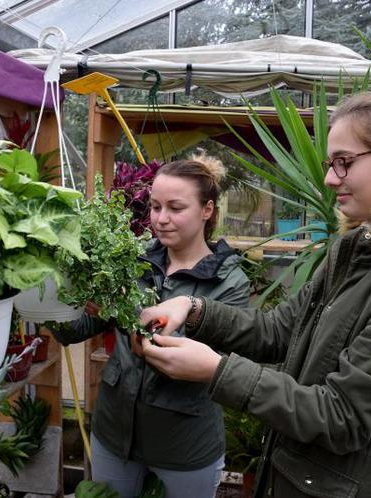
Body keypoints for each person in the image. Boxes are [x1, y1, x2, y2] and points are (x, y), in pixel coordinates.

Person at [138, 92, 371, 498]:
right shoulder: (358, 250)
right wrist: (193, 309)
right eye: (329, 163)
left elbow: (343, 416)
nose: (329, 178)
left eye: (344, 162)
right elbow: (278, 329)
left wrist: (217, 371)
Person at [51, 155, 250, 498]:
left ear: (207, 210)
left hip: (185, 447)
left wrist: (127, 313)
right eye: (155, 206)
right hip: (114, 436)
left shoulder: (229, 283)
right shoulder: (132, 259)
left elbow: (199, 363)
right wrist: (48, 299)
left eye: (175, 207)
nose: (161, 219)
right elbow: (73, 331)